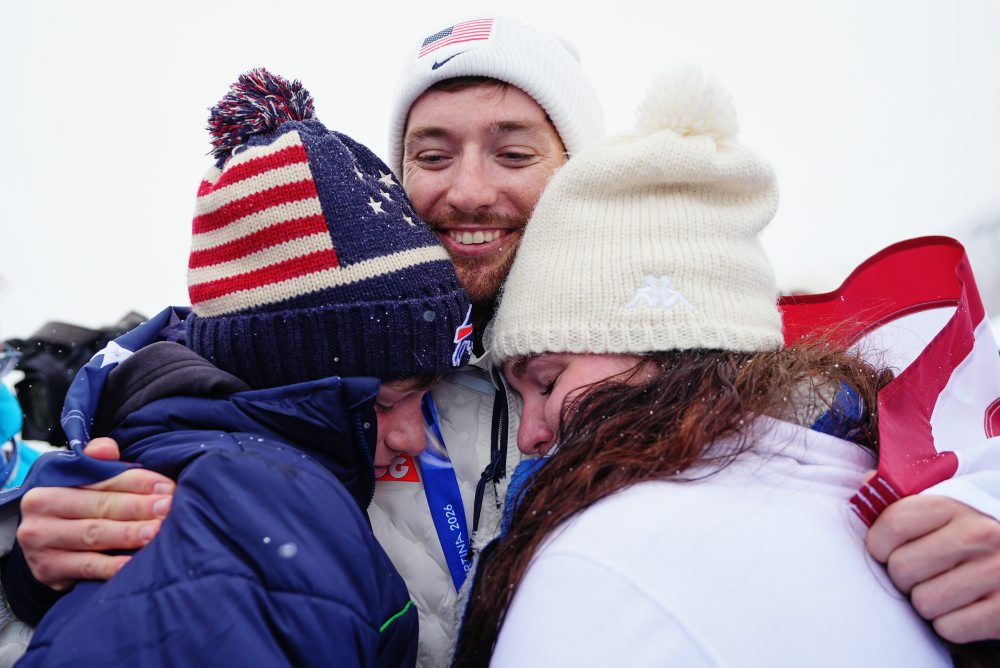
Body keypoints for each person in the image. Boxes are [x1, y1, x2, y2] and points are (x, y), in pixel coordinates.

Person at [7, 15, 1000, 666]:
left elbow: (920, 414)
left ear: (577, 172)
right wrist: (30, 540)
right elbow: (107, 400)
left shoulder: (697, 349)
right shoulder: (303, 357)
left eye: (514, 149)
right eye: (429, 154)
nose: (468, 189)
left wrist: (982, 511)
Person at [454, 67, 981, 666]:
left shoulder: (601, 564)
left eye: (549, 381)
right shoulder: (876, 481)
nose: (531, 434)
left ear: (670, 346)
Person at [10, 68, 474, 665]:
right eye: (381, 402)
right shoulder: (243, 530)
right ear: (282, 376)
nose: (416, 437)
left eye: (427, 396)